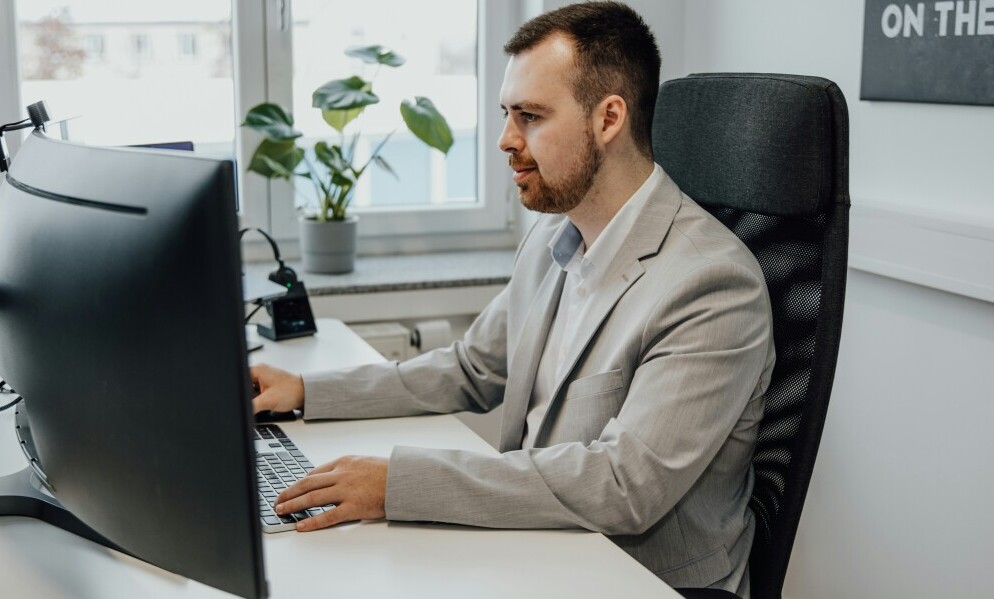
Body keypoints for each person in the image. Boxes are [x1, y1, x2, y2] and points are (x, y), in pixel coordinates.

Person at [251, 2, 775, 595]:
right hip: (541, 547)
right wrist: (307, 391)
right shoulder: (556, 234)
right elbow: (473, 369)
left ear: (608, 119)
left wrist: (397, 483)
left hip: (635, 578)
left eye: (529, 116)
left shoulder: (711, 283)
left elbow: (624, 485)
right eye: (507, 114)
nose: (505, 140)